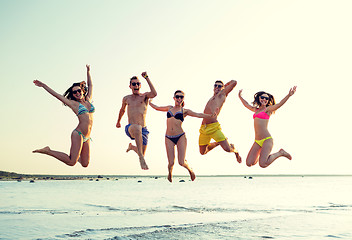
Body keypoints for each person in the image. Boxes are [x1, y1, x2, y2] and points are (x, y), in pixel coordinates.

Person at [33, 64, 94, 167]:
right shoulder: (74, 104)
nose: (77, 93)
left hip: (87, 137)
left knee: (85, 164)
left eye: (79, 90)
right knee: (71, 162)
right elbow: (57, 95)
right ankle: (49, 151)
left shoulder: (88, 100)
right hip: (78, 134)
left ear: (83, 91)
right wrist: (43, 85)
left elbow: (91, 85)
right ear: (73, 95)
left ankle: (75, 154)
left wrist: (88, 71)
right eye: (74, 92)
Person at [149, 90, 216, 182]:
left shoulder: (185, 111)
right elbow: (157, 108)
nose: (179, 98)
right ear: (174, 98)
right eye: (177, 97)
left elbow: (198, 114)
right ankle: (170, 173)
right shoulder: (169, 108)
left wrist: (211, 116)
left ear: (183, 99)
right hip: (168, 137)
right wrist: (150, 102)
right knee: (171, 163)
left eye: (181, 97)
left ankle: (190, 170)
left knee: (181, 162)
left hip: (180, 136)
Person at [238, 86, 297, 168]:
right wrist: (240, 96)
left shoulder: (268, 109)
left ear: (268, 101)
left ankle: (280, 153)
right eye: (262, 97)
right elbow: (246, 104)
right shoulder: (255, 110)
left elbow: (279, 104)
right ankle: (262, 155)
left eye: (266, 98)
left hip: (267, 139)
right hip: (257, 141)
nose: (264, 99)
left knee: (263, 164)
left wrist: (289, 95)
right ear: (259, 98)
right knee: (249, 163)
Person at [116, 72, 157, 170]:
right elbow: (122, 110)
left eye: (138, 83)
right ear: (130, 86)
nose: (136, 85)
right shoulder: (126, 98)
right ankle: (141, 159)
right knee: (137, 127)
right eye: (134, 84)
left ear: (140, 85)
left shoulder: (144, 96)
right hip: (131, 128)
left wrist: (146, 78)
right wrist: (118, 121)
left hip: (143, 130)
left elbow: (154, 93)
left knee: (141, 151)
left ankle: (132, 147)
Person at [199, 80, 241, 163]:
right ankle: (217, 143)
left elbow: (234, 82)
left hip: (214, 127)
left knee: (227, 149)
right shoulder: (211, 98)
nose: (217, 87)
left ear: (222, 88)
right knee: (202, 152)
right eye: (215, 85)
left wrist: (225, 85)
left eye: (219, 86)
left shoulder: (222, 95)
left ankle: (235, 150)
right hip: (204, 128)